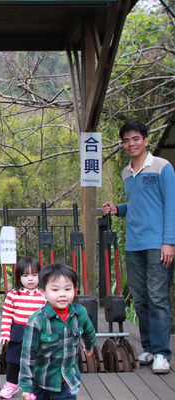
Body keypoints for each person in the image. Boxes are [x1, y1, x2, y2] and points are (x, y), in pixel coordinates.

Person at [102, 120, 175, 374]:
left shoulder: (162, 167)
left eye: (135, 139)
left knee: (158, 298)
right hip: (134, 245)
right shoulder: (127, 173)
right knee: (141, 298)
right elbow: (137, 205)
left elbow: (170, 205)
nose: (130, 144)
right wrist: (118, 209)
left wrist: (169, 242)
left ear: (145, 140)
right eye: (126, 141)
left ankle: (162, 353)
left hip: (158, 245)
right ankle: (149, 348)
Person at [19, 263, 96, 400]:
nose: (62, 294)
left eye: (67, 289)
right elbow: (27, 356)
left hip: (68, 382)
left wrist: (89, 346)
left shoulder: (80, 313)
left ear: (75, 290)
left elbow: (89, 332)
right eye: (55, 290)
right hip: (42, 382)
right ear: (43, 292)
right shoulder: (37, 320)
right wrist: (26, 387)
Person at [0, 257, 46, 399]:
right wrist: (5, 333)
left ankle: (35, 387)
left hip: (38, 333)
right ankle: (11, 384)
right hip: (18, 332)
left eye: (34, 275)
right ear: (19, 277)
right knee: (13, 359)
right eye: (25, 275)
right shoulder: (13, 295)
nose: (30, 279)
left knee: (37, 360)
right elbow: (7, 315)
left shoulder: (44, 294)